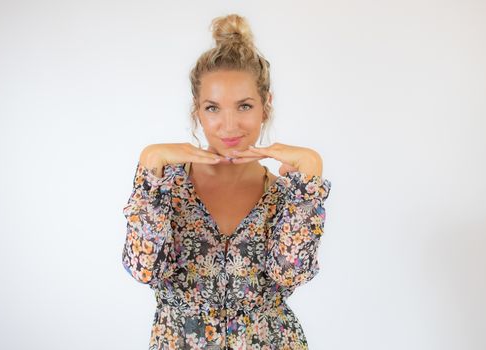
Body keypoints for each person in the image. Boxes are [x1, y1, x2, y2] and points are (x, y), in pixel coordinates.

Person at [121, 13, 332, 350]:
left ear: (266, 105)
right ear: (197, 111)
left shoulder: (284, 195)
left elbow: (290, 275)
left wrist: (310, 177)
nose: (229, 125)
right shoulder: (167, 187)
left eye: (244, 106)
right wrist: (149, 166)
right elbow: (145, 269)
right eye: (213, 108)